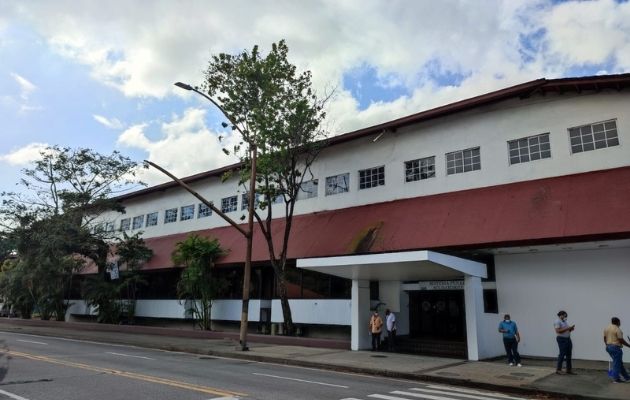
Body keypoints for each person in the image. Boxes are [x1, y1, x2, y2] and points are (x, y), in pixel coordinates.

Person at [604, 317, 630, 383]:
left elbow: (604, 338)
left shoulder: (607, 328)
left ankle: (627, 377)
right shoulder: (617, 329)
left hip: (608, 347)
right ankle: (616, 379)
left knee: (619, 363)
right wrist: (629, 345)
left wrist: (607, 345)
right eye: (619, 322)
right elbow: (621, 340)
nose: (620, 323)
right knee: (617, 364)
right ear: (617, 322)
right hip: (615, 348)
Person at [554, 310, 575, 374]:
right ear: (561, 315)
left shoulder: (565, 321)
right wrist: (568, 328)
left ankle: (568, 370)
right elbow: (558, 331)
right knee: (562, 354)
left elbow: (566, 330)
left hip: (568, 339)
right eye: (564, 316)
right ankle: (558, 370)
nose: (565, 317)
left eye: (566, 316)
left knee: (569, 354)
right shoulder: (557, 321)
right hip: (562, 339)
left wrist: (570, 329)